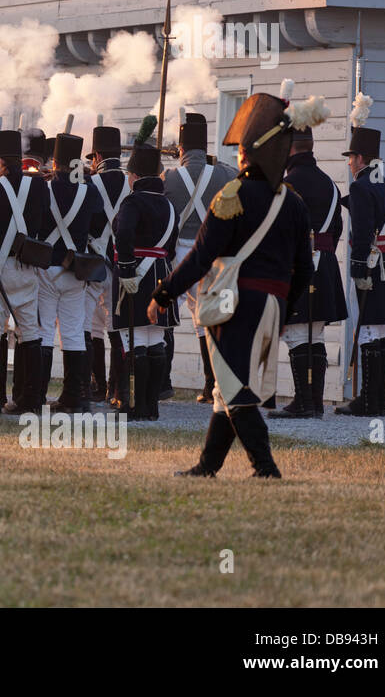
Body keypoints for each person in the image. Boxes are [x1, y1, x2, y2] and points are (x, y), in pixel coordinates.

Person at [150, 90, 319, 478]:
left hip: (236, 302)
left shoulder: (233, 196)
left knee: (234, 388)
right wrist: (282, 308)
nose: (238, 156)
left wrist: (164, 293)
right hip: (273, 306)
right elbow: (303, 271)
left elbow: (200, 257)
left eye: (242, 150)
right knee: (225, 391)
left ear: (252, 154)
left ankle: (265, 467)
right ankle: (207, 466)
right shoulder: (292, 202)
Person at [270, 102, 346, 419]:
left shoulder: (287, 184)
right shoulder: (329, 183)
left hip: (298, 264)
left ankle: (304, 402)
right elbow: (338, 227)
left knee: (299, 334)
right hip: (325, 263)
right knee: (316, 333)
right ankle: (313, 402)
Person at [335, 94, 385, 417]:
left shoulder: (363, 188)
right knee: (382, 332)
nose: (349, 163)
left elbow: (363, 232)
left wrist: (358, 269)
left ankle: (367, 399)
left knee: (366, 329)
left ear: (361, 158)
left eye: (351, 158)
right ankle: (378, 401)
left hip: (371, 267)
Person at [163, 111, 237, 403]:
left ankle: (161, 381)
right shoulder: (224, 173)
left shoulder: (168, 176)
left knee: (166, 315)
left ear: (180, 150)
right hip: (211, 252)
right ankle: (211, 384)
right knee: (206, 320)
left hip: (178, 252)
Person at [0, 126, 51, 415]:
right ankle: (31, 400)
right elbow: (43, 223)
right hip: (27, 265)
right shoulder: (38, 186)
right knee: (30, 333)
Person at [111, 121, 177, 419]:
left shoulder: (133, 201)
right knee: (155, 339)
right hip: (161, 272)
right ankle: (151, 407)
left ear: (134, 175)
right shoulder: (168, 205)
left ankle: (134, 405)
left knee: (133, 338)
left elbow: (123, 234)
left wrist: (125, 269)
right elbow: (171, 246)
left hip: (136, 272)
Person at [40, 131, 105, 413]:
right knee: (74, 333)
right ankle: (74, 397)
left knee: (42, 333)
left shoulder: (44, 189)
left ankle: (36, 396)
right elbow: (99, 228)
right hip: (75, 270)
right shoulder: (89, 190)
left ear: (54, 162)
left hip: (46, 267)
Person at [86, 121, 129, 405]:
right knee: (117, 327)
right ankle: (116, 389)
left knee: (91, 326)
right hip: (122, 261)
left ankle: (96, 385)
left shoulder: (89, 183)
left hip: (93, 262)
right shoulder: (132, 181)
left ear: (97, 156)